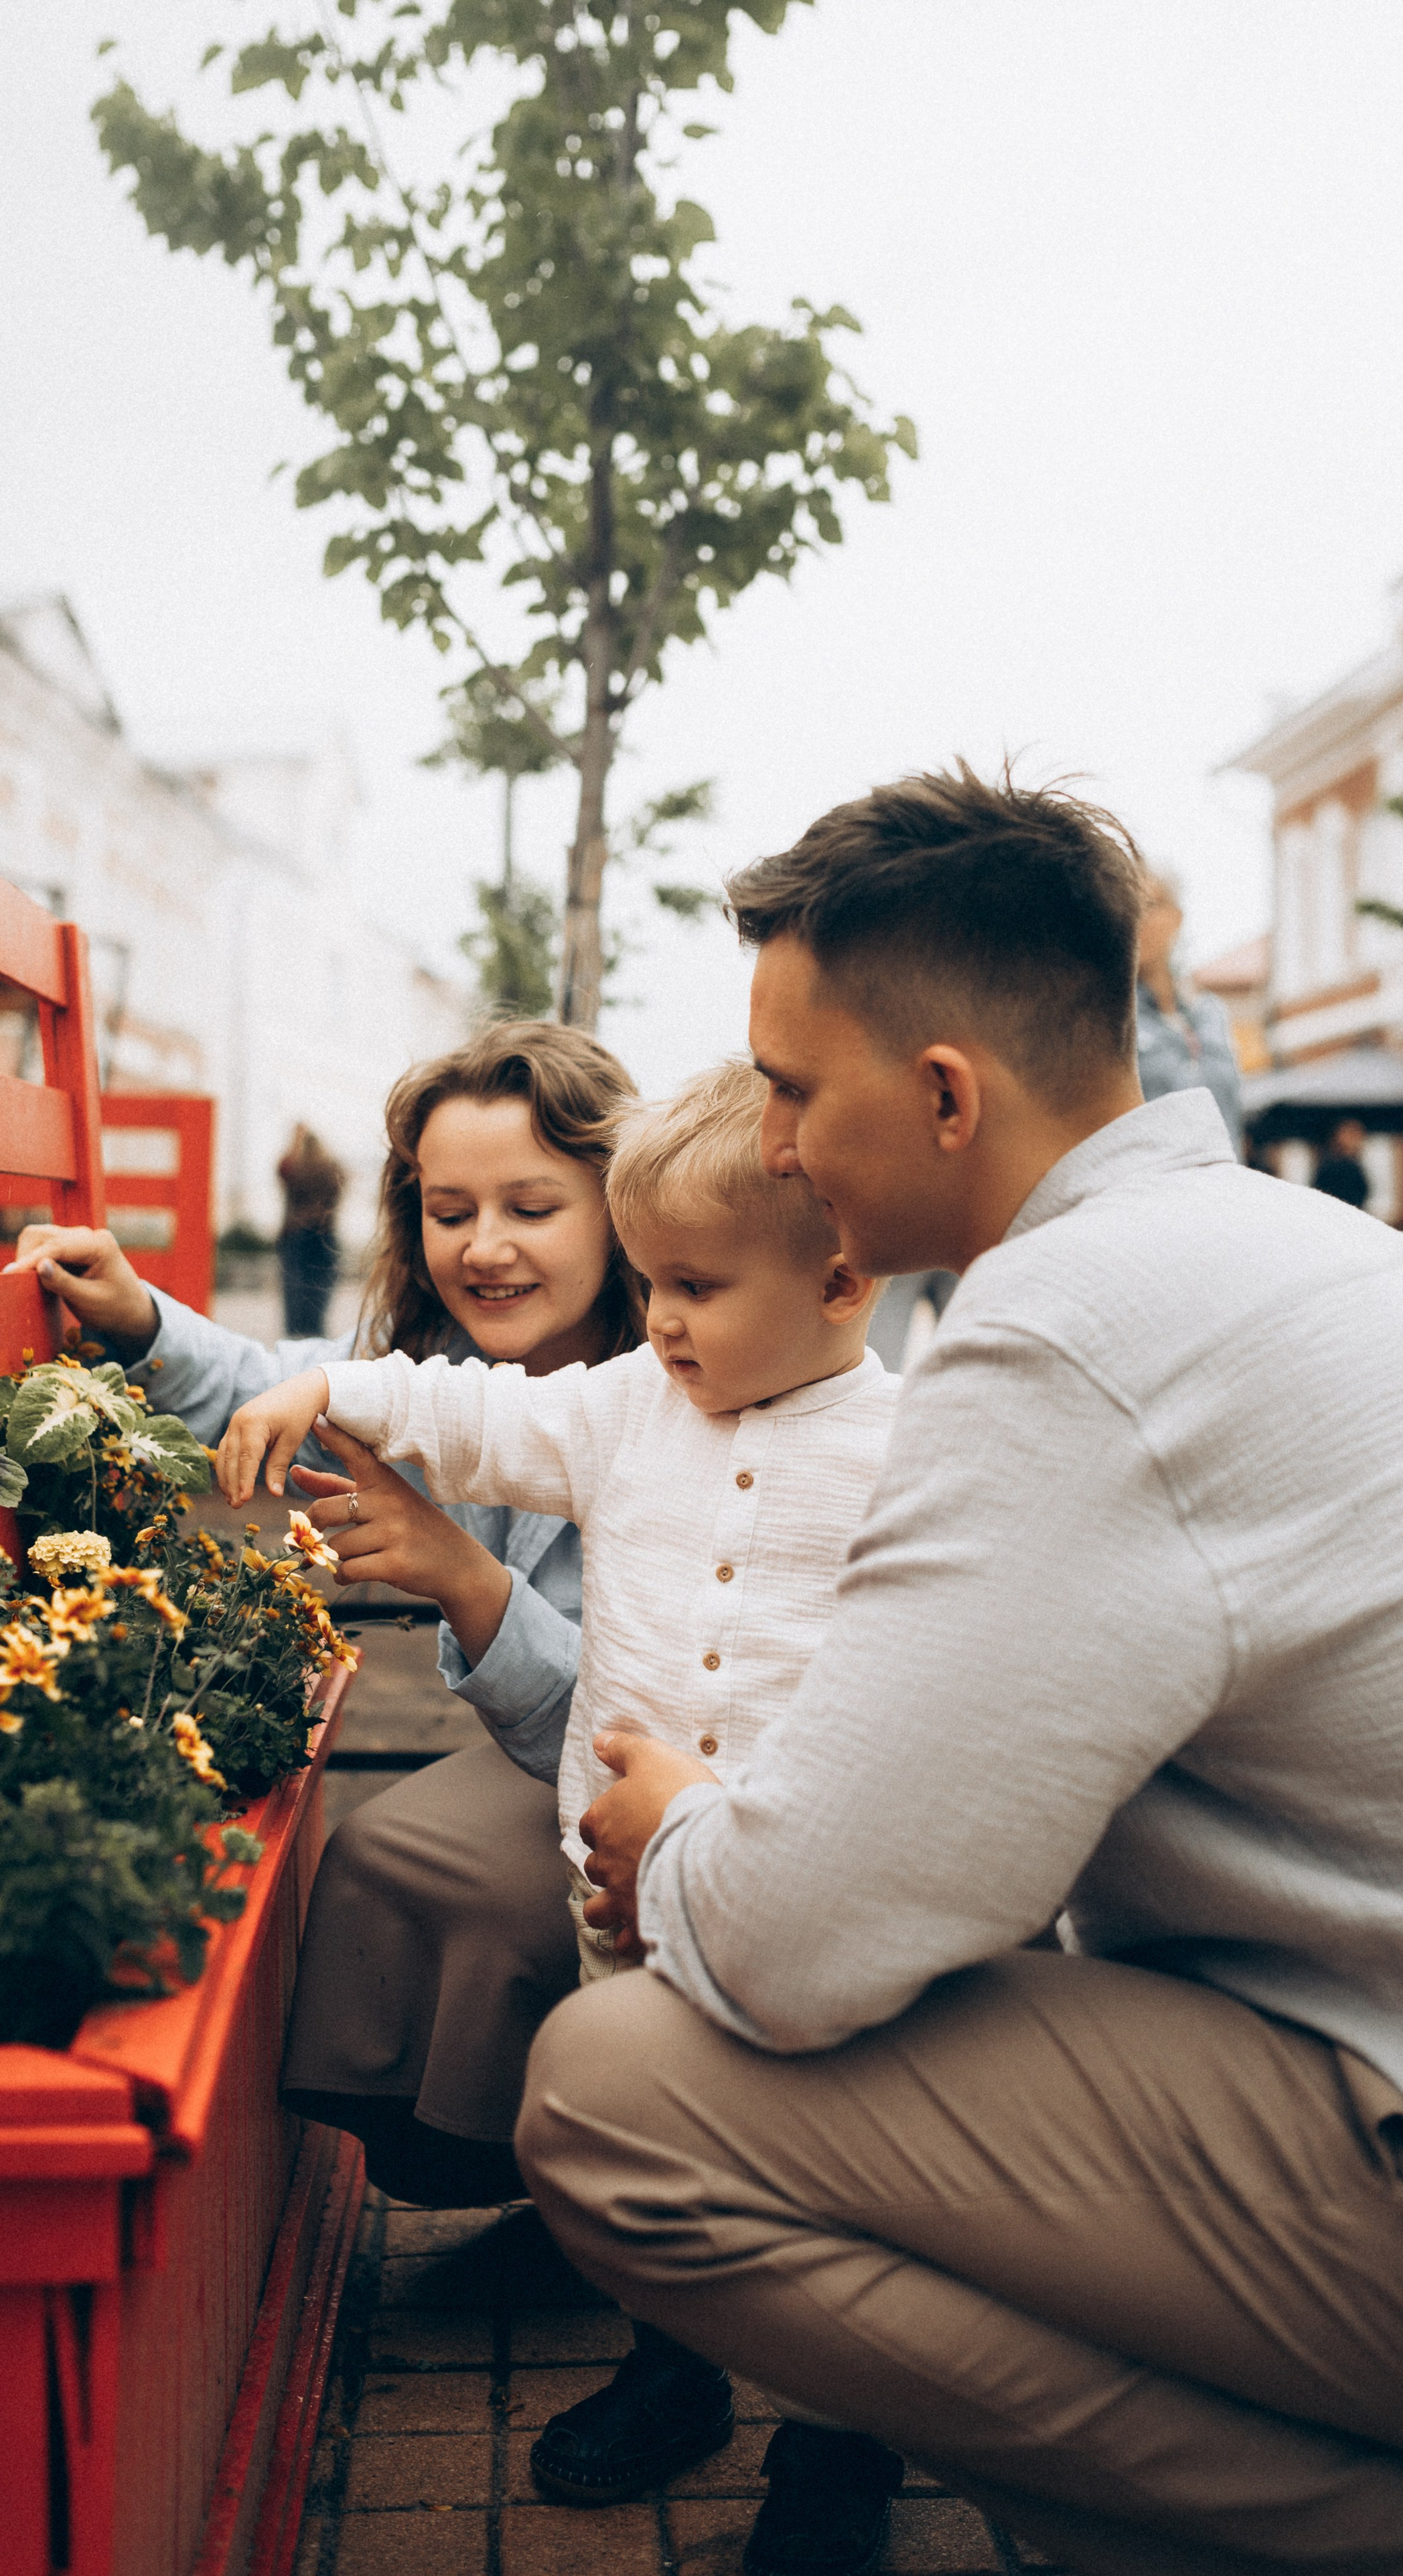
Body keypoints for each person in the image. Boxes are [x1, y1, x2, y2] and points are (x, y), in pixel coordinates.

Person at [515, 767, 1403, 2576]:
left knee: (611, 2087)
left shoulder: (1063, 1329)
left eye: (789, 1087)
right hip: (1341, 2037)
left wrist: (677, 1828)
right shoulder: (1302, 1241)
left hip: (1369, 2113)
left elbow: (798, 1941)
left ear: (940, 1096)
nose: (772, 1146)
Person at [7, 1025, 741, 2494]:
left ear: (621, 1201)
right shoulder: (476, 1365)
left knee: (459, 1876)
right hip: (565, 1755)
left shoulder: (683, 1376)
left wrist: (460, 1579)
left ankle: (661, 2257)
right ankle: (569, 2184)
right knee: (395, 1854)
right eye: (446, 1206)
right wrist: (142, 1317)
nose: (481, 1247)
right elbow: (298, 1390)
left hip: (689, 1789)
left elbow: (616, 1729)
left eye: (530, 1207)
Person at [218, 1060, 897, 2508]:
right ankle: (668, 2367)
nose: (656, 1320)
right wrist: (326, 1384)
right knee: (652, 2140)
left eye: (694, 1289)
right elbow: (463, 1416)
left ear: (840, 1281)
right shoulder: (623, 1407)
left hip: (807, 1888)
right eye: (648, 1282)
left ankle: (839, 2436)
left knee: (832, 2167)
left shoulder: (911, 1453)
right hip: (619, 1890)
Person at [1134, 864, 1245, 1149]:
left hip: (1222, 1184)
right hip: (1155, 1185)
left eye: (1149, 905)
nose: (1137, 919)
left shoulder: (1208, 1012)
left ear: (1176, 917)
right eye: (1127, 906)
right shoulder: (1113, 1016)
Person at [276, 1123, 346, 1335]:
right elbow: (343, 1184)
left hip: (295, 1235)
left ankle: (296, 1341)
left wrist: (295, 1140)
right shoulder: (331, 1168)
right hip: (324, 1234)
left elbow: (283, 1169)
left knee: (294, 1294)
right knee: (319, 1295)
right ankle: (316, 1339)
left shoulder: (296, 1169)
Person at [1315, 1117, 1372, 1209]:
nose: (1357, 1138)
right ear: (1337, 1136)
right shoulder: (1334, 1168)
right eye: (1352, 1134)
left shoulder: (1358, 1163)